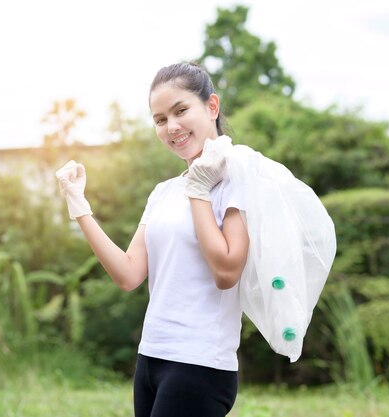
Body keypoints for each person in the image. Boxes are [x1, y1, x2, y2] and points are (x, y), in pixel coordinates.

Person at [55, 62, 249, 417]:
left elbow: (226, 272)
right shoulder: (163, 192)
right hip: (151, 358)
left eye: (180, 111)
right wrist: (79, 206)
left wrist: (200, 190)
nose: (171, 127)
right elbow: (128, 275)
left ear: (212, 106)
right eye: (160, 119)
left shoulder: (237, 181)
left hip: (200, 364)